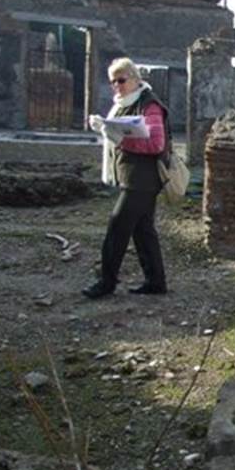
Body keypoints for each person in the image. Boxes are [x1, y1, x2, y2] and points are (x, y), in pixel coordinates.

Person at [82, 58, 169, 298]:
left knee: (117, 228)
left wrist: (120, 138)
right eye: (113, 82)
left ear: (135, 78)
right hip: (132, 176)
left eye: (122, 80)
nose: (117, 86)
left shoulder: (149, 105)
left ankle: (106, 283)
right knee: (143, 231)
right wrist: (103, 127)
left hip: (143, 180)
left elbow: (156, 144)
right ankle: (156, 282)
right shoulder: (122, 105)